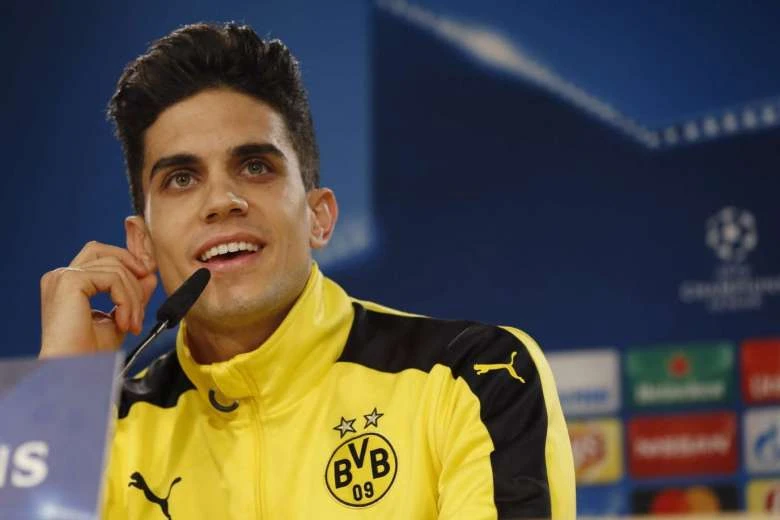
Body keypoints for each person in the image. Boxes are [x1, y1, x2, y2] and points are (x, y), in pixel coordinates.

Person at [38, 22, 575, 519]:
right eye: (181, 178)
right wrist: (56, 398)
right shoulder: (100, 435)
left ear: (319, 217)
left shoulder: (475, 379)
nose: (221, 201)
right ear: (142, 243)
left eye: (255, 167)